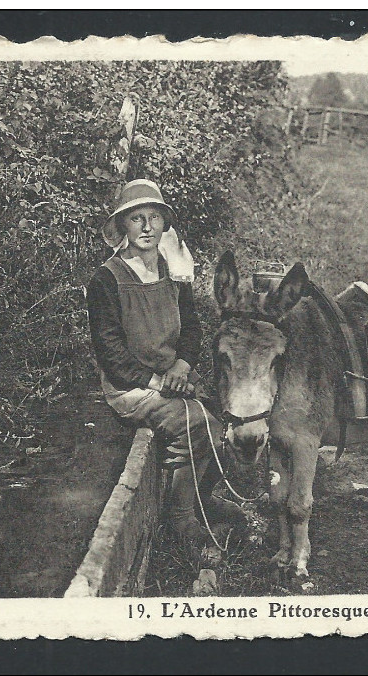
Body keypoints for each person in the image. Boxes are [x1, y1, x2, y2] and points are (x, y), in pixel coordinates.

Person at [87, 179, 234, 542]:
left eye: (154, 217)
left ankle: (202, 498)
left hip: (174, 376)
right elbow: (111, 353)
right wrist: (158, 382)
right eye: (137, 218)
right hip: (131, 388)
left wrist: (183, 366)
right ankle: (180, 516)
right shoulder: (107, 279)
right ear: (123, 226)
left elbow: (192, 330)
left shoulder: (174, 273)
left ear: (165, 224)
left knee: (229, 417)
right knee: (197, 423)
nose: (147, 227)